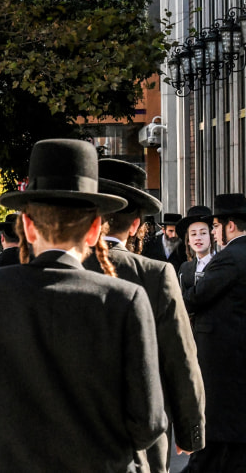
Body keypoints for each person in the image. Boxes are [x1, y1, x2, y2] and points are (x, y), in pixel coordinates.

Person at [0, 139, 166, 471]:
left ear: (27, 226)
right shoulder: (125, 299)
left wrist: (2, 433)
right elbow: (149, 423)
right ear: (95, 229)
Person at [82, 159, 205, 472]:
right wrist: (191, 433)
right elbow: (181, 359)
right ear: (136, 224)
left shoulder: (63, 268)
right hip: (139, 438)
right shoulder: (156, 274)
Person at [182, 193, 246, 472]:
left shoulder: (231, 256)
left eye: (215, 226)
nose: (214, 233)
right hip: (234, 358)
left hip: (223, 361)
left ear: (229, 226)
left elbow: (196, 297)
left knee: (215, 438)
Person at [176, 205, 214, 298]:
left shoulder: (222, 263)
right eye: (193, 234)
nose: (198, 238)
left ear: (212, 236)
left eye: (203, 233)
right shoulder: (185, 268)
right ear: (188, 240)